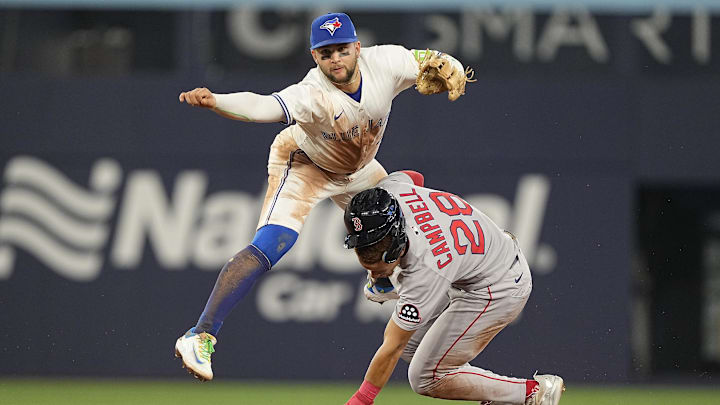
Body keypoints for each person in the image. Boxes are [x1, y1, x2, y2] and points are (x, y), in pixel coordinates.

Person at [173, 12, 474, 381]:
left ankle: (378, 276)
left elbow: (433, 60)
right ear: (315, 57)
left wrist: (454, 67)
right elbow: (262, 106)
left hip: (359, 168)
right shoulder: (312, 94)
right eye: (326, 52)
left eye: (342, 49)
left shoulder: (387, 62)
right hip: (305, 165)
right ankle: (199, 334)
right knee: (273, 243)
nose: (336, 59)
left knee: (407, 208)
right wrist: (217, 100)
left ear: (357, 48)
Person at [342, 171, 565, 405]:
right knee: (417, 351)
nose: (372, 267)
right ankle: (502, 397)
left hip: (498, 287)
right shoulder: (392, 191)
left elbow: (392, 346)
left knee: (424, 377)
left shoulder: (425, 267)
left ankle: (534, 393)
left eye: (379, 263)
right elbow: (413, 177)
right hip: (481, 264)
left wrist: (362, 399)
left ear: (396, 244)